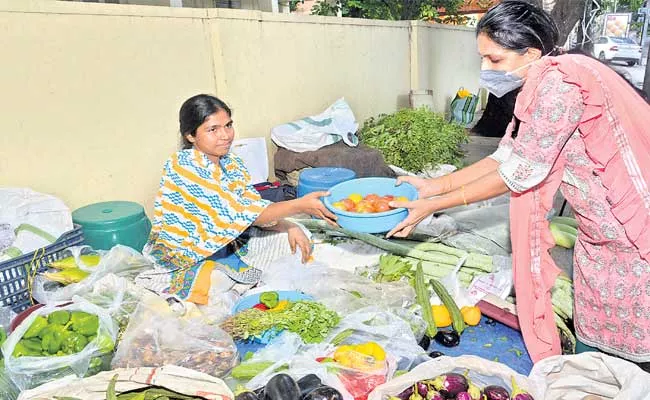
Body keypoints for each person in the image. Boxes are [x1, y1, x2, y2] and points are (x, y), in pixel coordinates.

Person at [387, 0, 650, 366]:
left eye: (494, 60)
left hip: (630, 232)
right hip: (599, 231)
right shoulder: (540, 81)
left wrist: (434, 206)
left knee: (637, 333)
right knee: (604, 327)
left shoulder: (561, 85)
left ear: (531, 51)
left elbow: (517, 172)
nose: (485, 69)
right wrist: (434, 187)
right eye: (482, 58)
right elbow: (503, 156)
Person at [145, 94, 336, 304]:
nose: (225, 135)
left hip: (231, 240)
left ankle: (239, 280)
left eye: (228, 125)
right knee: (216, 283)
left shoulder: (231, 162)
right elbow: (247, 214)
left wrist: (289, 226)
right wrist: (299, 205)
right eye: (213, 129)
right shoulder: (184, 167)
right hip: (188, 254)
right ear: (191, 135)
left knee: (296, 240)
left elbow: (250, 208)